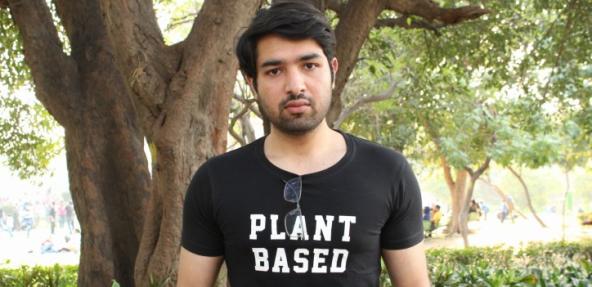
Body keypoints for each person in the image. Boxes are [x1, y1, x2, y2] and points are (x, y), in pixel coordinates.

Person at [178, 2, 430, 286]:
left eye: (309, 65)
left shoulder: (388, 173)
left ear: (332, 69)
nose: (295, 85)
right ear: (252, 83)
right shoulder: (215, 180)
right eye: (274, 71)